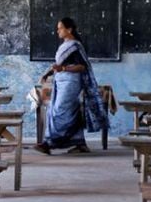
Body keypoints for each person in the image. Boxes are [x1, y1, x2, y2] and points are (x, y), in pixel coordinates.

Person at [34, 17, 108, 155]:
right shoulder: (64, 45)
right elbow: (58, 65)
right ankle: (80, 144)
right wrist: (47, 74)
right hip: (60, 81)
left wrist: (63, 69)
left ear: (69, 29)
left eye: (60, 28)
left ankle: (49, 143)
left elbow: (82, 67)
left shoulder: (75, 46)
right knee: (69, 111)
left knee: (59, 110)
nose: (57, 31)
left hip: (71, 82)